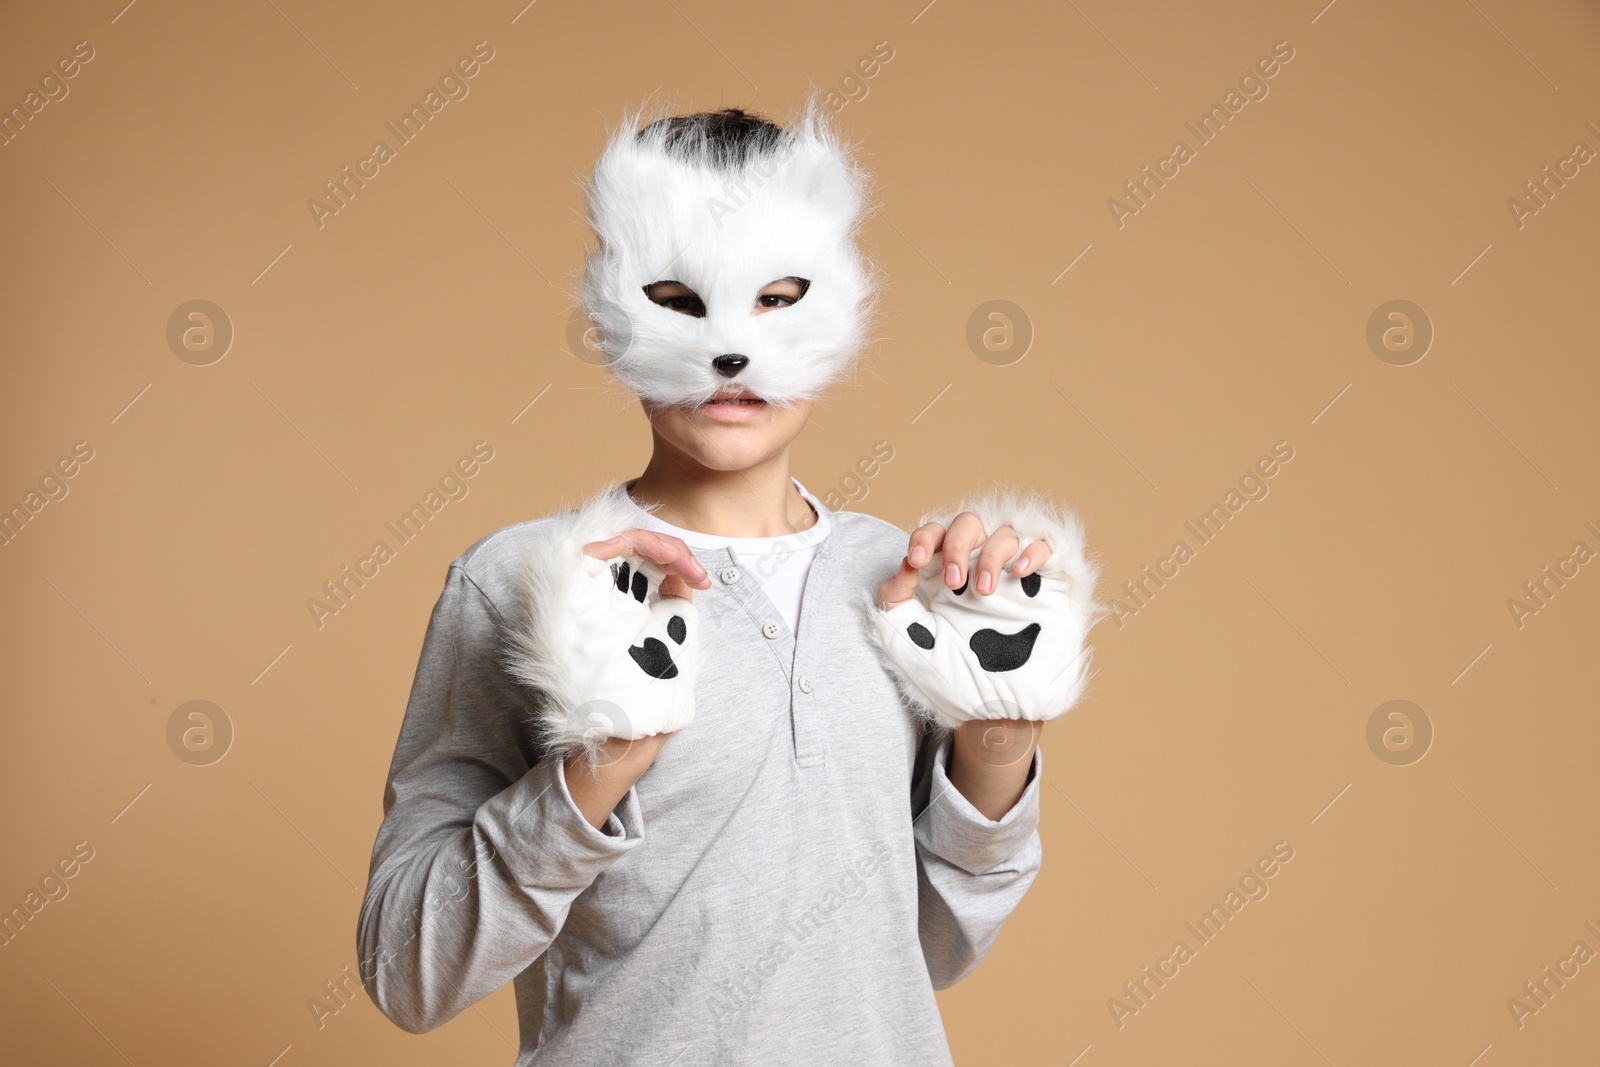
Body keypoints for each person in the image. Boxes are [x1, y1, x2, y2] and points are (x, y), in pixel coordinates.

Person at [356, 101, 1099, 1066]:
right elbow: (407, 972)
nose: (729, 352)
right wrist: (601, 764)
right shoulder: (524, 583)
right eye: (677, 298)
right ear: (612, 306)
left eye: (779, 297)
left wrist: (995, 739)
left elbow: (928, 951)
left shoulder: (907, 587)